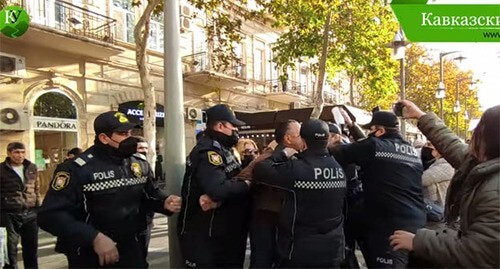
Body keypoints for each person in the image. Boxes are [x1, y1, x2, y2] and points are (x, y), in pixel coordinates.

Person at [38, 111, 181, 268]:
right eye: (122, 134)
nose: (129, 138)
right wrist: (94, 237)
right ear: (104, 138)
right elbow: (50, 215)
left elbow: (149, 194)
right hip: (91, 253)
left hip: (131, 248)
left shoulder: (138, 163)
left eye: (130, 132)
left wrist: (164, 202)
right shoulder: (77, 169)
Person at [390, 102, 499, 268]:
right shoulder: (483, 162)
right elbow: (452, 145)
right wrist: (421, 116)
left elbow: (479, 251)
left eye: (479, 129)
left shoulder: (495, 192)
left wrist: (418, 241)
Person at [330, 110, 425, 268]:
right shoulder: (411, 150)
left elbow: (344, 152)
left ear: (380, 130)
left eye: (372, 130)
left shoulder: (374, 146)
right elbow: (367, 146)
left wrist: (323, 144)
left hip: (389, 227)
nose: (370, 134)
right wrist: (352, 126)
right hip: (417, 224)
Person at [254, 119, 346, 268]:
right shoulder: (339, 168)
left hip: (300, 251)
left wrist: (282, 154)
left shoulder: (295, 168)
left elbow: (260, 170)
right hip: (333, 249)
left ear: (303, 140)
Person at [178, 104, 251, 268]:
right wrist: (246, 185)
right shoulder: (209, 153)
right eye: (233, 126)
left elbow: (234, 179)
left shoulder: (224, 150)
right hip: (206, 238)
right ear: (220, 126)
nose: (235, 131)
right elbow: (218, 189)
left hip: (225, 233)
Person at [247, 119, 304, 268]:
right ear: (288, 138)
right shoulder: (268, 159)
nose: (303, 138)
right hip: (266, 222)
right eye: (300, 135)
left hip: (282, 223)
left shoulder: (298, 158)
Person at [0, 142, 40, 269]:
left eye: (22, 152)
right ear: (9, 153)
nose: (20, 155)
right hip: (9, 213)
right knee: (10, 249)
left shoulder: (31, 167)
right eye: (17, 152)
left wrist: (38, 206)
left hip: (30, 213)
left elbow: (36, 188)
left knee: (31, 248)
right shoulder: (1, 169)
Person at [421, 142, 454, 209]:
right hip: (436, 207)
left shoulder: (446, 166)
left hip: (440, 209)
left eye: (430, 145)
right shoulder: (435, 164)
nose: (428, 147)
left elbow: (422, 179)